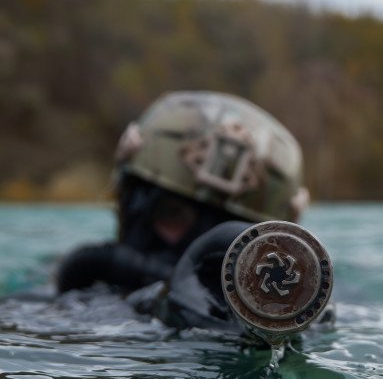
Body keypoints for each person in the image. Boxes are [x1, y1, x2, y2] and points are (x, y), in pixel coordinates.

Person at [56, 91, 314, 335]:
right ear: (132, 207)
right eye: (173, 212)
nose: (197, 249)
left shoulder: (302, 309)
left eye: (234, 238)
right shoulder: (81, 291)